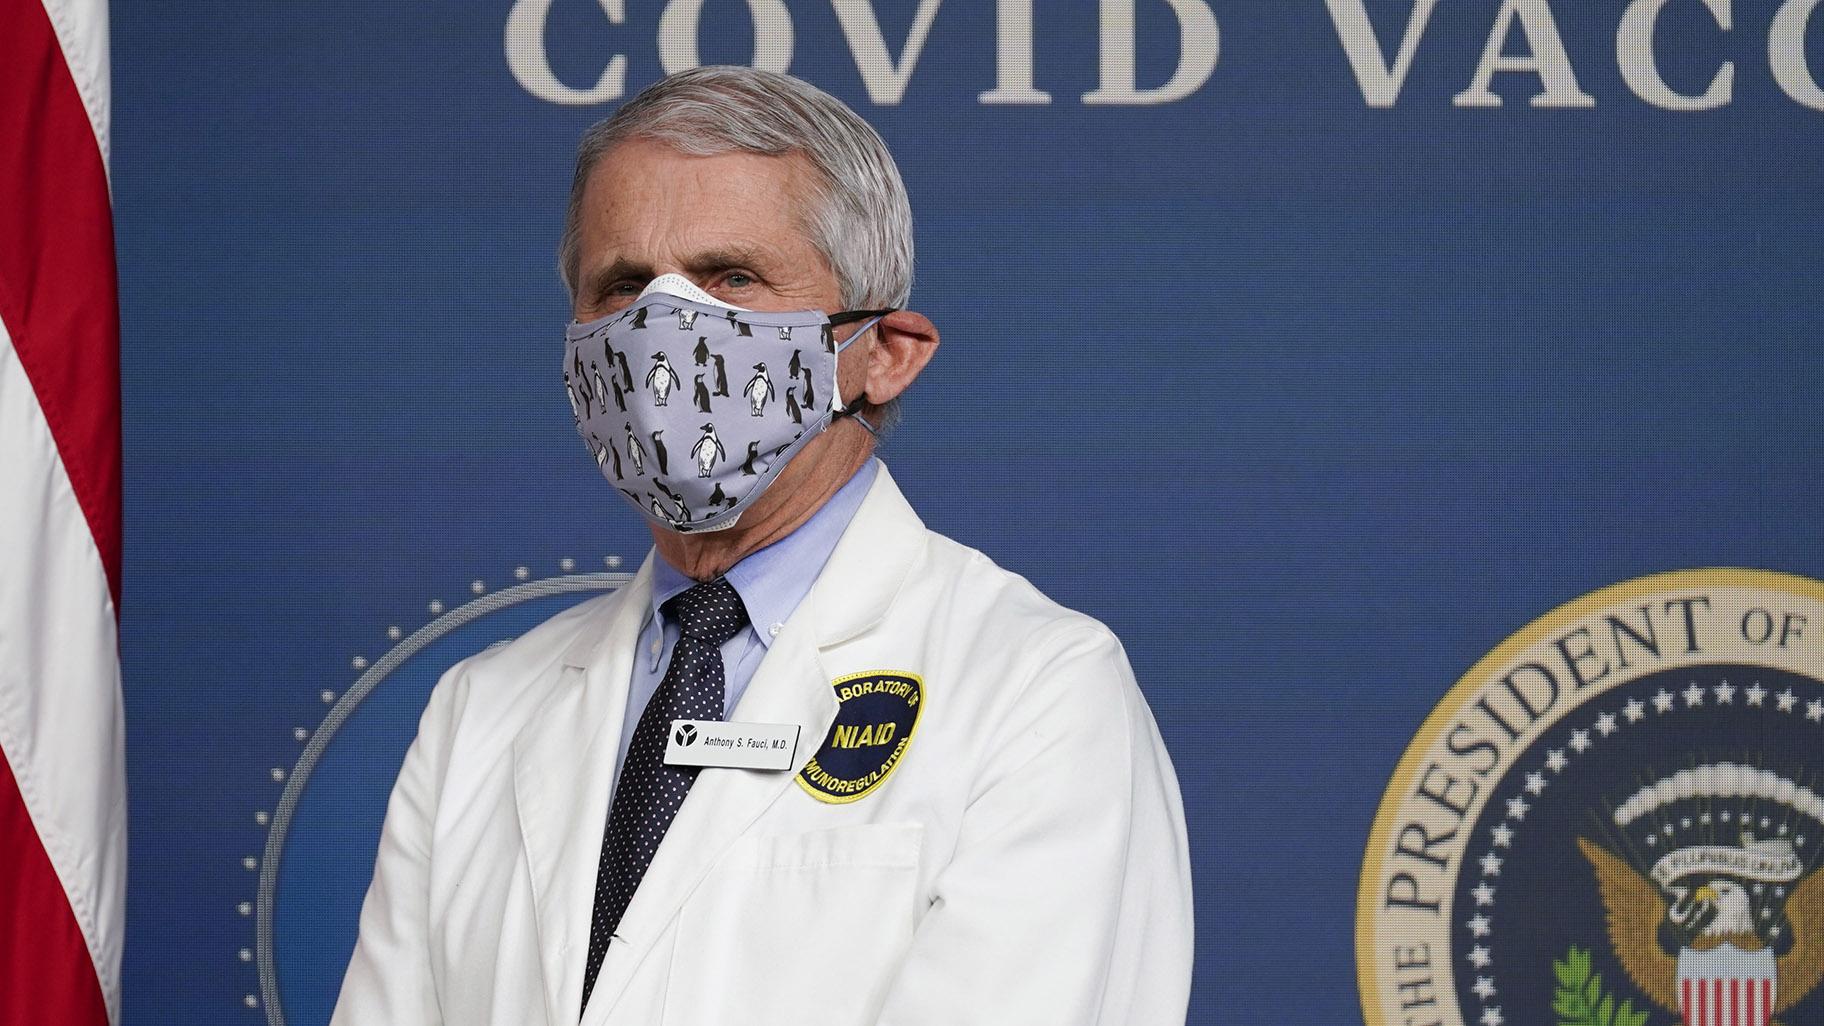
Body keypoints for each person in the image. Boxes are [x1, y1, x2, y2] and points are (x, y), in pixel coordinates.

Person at [331, 66, 1192, 1026]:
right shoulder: (480, 711)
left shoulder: (1036, 690)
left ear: (882, 352)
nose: (661, 336)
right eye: (620, 286)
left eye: (730, 279)